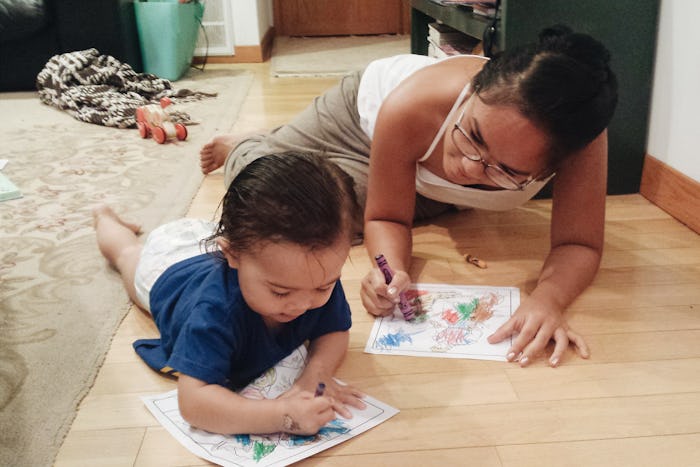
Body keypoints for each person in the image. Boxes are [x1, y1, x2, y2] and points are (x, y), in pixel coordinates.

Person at [199, 25, 618, 368]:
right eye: (472, 136)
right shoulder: (414, 102)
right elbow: (388, 219)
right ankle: (245, 145)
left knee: (344, 217)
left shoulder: (580, 139)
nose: (470, 169)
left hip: (415, 171)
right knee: (281, 201)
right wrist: (390, 268)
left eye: (506, 170)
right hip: (358, 121)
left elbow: (578, 243)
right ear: (470, 93)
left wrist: (549, 299)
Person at [93, 152, 366, 436]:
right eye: (280, 292)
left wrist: (316, 375)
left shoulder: (309, 272)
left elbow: (334, 331)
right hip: (168, 268)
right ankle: (104, 217)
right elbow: (194, 404)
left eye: (323, 287)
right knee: (126, 254)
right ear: (232, 255)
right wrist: (281, 415)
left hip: (219, 243)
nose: (302, 304)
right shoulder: (214, 312)